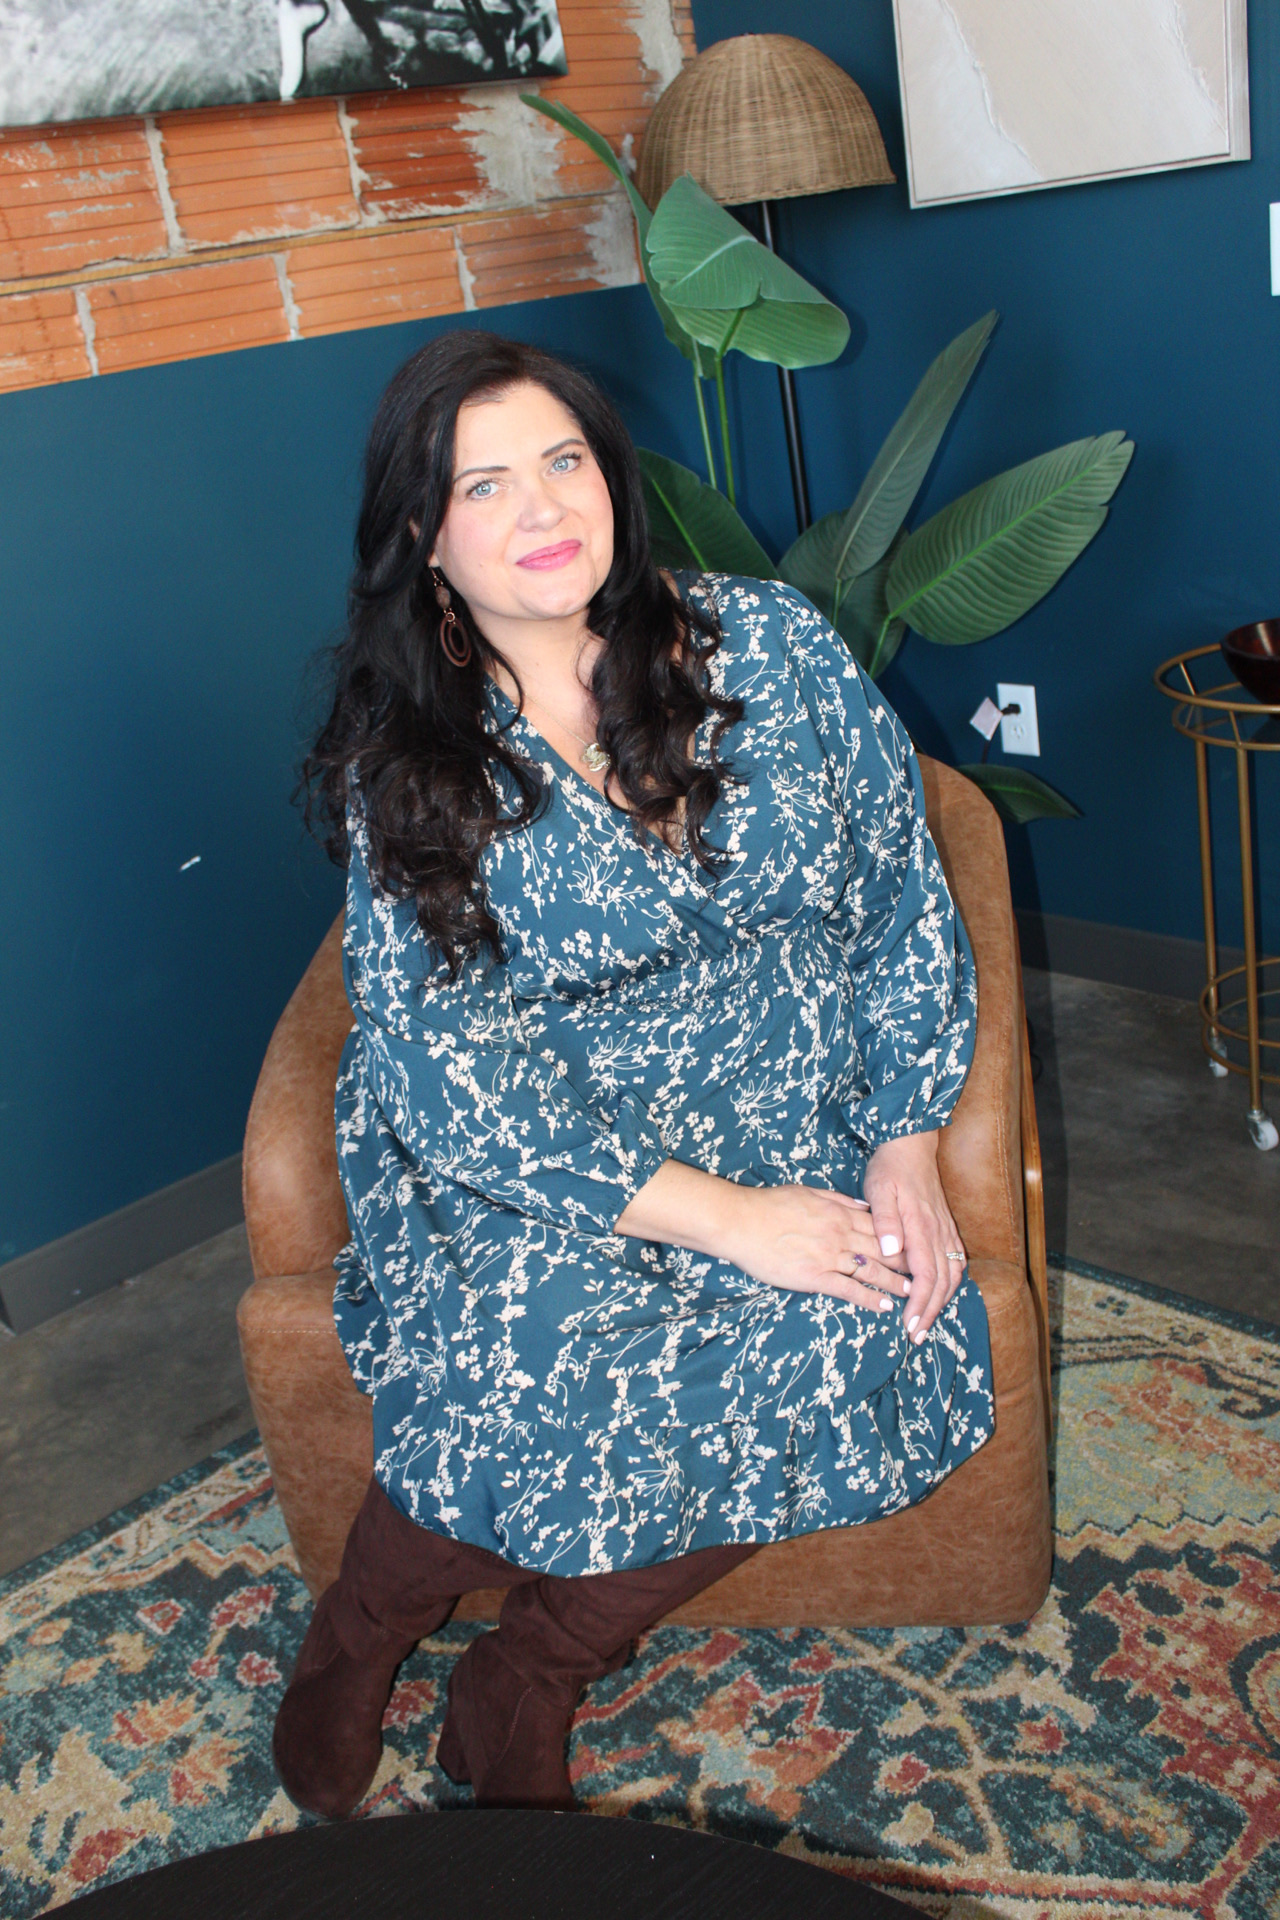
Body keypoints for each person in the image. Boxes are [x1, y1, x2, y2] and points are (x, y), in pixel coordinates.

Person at [275, 329, 994, 1819]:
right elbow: (447, 1065)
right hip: (541, 1152)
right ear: (424, 538)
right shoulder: (414, 756)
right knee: (529, 1373)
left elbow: (897, 894)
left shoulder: (770, 646)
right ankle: (359, 1640)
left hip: (787, 1108)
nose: (545, 507)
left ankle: (525, 1676)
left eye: (564, 460)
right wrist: (723, 1217)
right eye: (486, 485)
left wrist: (902, 1141)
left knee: (896, 1327)